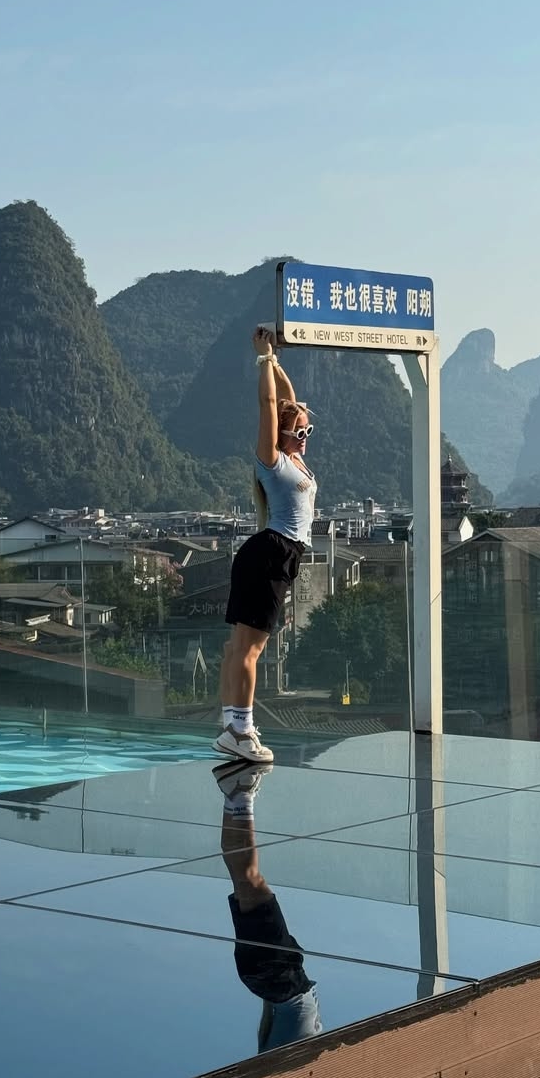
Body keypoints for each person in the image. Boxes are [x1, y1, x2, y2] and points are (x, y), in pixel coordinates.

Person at [216, 327, 317, 764]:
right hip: (271, 552)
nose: (304, 436)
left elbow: (288, 399)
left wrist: (276, 360)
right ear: (280, 435)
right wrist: (262, 359)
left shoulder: (295, 459)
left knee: (239, 647)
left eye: (308, 430)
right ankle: (241, 730)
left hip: (280, 555)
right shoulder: (272, 461)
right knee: (250, 649)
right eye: (297, 431)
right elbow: (270, 405)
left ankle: (231, 727)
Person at [213, 758, 322, 1052]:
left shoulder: (294, 1063)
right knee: (243, 879)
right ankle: (235, 795)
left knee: (249, 878)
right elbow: (266, 1027)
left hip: (279, 979)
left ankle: (239, 792)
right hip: (270, 980)